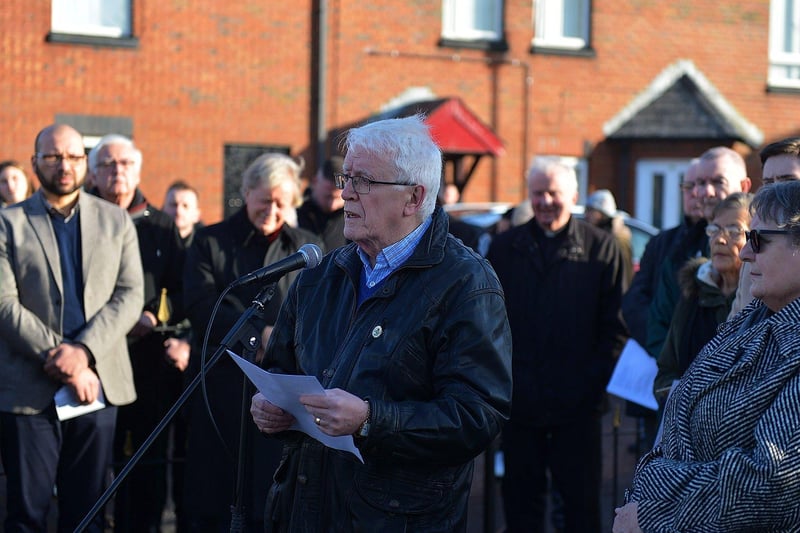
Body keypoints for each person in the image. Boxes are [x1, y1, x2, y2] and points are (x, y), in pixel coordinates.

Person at [249, 115, 512, 531]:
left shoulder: (466, 283)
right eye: (345, 177)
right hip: (305, 509)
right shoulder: (320, 274)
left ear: (413, 198)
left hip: (396, 518)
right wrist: (270, 408)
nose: (346, 194)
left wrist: (371, 420)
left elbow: (477, 415)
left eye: (364, 181)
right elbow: (282, 368)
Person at [614, 180, 800, 533]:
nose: (745, 252)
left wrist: (653, 516)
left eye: (758, 239)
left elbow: (769, 483)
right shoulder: (755, 317)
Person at [0, 124, 144, 531]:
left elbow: (131, 294)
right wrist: (60, 357)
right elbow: (3, 303)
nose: (65, 165)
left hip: (97, 387)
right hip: (28, 392)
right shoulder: (8, 223)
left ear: (86, 163)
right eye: (53, 157)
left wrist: (82, 354)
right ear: (35, 163)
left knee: (90, 515)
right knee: (26, 515)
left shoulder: (116, 220)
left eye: (74, 156)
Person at [182, 152, 322, 531]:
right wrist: (256, 334)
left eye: (282, 202)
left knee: (271, 501)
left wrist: (279, 342)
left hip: (280, 395)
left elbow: (319, 311)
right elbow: (200, 305)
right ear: (246, 193)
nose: (272, 210)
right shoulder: (210, 242)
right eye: (265, 200)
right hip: (222, 389)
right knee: (215, 497)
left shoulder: (307, 247)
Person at [486, 158, 627, 532]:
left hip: (578, 409)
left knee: (581, 509)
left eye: (554, 193)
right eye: (538, 193)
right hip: (521, 406)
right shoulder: (503, 249)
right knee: (520, 508)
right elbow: (488, 324)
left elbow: (615, 328)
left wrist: (588, 387)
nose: (546, 201)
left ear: (574, 196)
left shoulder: (602, 249)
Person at [87, 133, 186, 533]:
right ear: (93, 173)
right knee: (93, 457)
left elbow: (180, 288)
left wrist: (151, 315)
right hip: (92, 355)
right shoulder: (81, 219)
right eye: (108, 164)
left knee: (147, 457)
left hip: (146, 356)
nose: (118, 172)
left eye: (125, 164)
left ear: (138, 170)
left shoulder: (161, 225)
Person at [621, 160, 704, 453]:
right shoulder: (663, 243)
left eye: (710, 183)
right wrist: (666, 347)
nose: (699, 193)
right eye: (690, 186)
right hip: (659, 381)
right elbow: (634, 301)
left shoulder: (741, 246)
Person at [645, 147, 751, 361]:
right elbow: (658, 327)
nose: (706, 192)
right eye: (700, 183)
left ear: (744, 186)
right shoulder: (679, 251)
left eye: (718, 182)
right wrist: (675, 380)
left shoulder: (760, 259)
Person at [653, 192, 752, 404]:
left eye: (734, 231)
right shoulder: (693, 291)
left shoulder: (762, 300)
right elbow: (666, 370)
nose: (720, 239)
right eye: (714, 229)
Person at [728, 136, 800, 318]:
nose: (775, 190)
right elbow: (735, 323)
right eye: (768, 183)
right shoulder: (754, 255)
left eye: (788, 181)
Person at [585, 188, 634, 288]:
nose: (586, 215)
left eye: (590, 210)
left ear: (601, 213)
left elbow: (624, 276)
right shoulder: (594, 234)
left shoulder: (617, 239)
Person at [296, 155, 347, 251]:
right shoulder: (295, 214)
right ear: (315, 182)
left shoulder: (352, 219)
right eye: (328, 197)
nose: (332, 205)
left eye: (337, 198)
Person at [163, 179, 203, 247]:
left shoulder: (206, 248)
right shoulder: (150, 242)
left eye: (185, 206)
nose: (178, 211)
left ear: (197, 215)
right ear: (163, 209)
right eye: (173, 204)